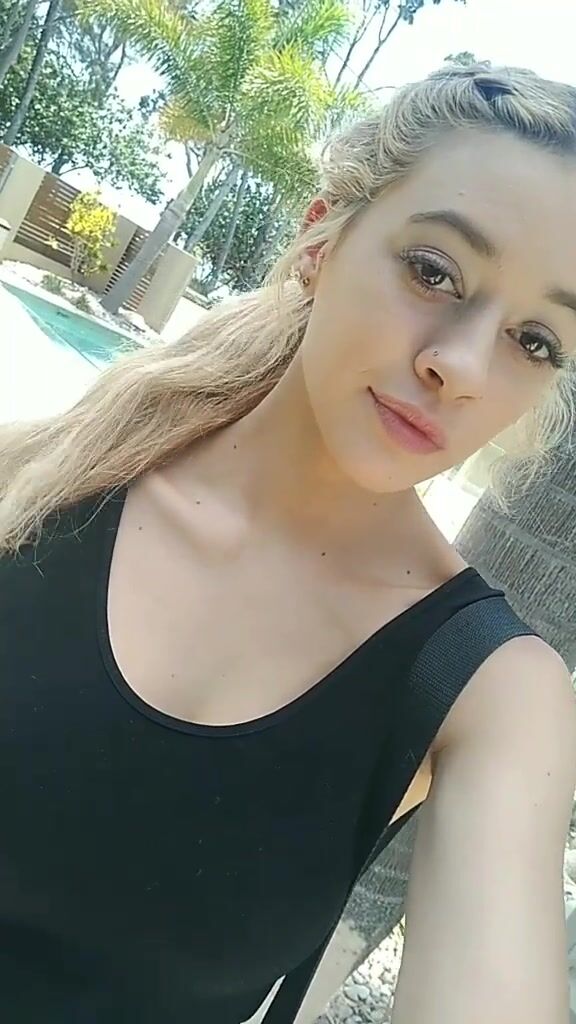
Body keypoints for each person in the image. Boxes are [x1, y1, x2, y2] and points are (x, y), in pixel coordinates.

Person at [1, 63, 576, 1024]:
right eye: (433, 271)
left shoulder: (490, 690)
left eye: (536, 340)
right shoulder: (44, 482)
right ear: (321, 240)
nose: (462, 365)